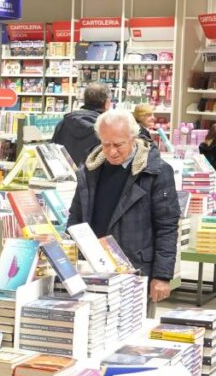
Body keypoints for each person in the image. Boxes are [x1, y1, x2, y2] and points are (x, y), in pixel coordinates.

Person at [67, 108, 179, 305]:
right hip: (91, 267)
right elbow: (76, 216)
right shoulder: (90, 169)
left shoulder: (156, 172)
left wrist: (162, 276)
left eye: (118, 144)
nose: (111, 151)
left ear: (133, 138)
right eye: (105, 144)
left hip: (134, 268)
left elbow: (167, 227)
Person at [51, 82, 109, 166]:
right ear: (106, 103)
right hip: (92, 177)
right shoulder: (106, 129)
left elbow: (53, 153)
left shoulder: (63, 123)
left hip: (65, 177)